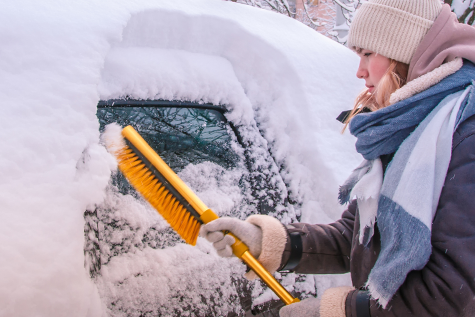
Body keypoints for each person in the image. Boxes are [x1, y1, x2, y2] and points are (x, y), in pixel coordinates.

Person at [200, 1, 475, 316]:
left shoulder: (463, 138)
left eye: (368, 54)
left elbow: (452, 296)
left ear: (406, 51)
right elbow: (356, 240)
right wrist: (269, 241)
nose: (359, 71)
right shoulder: (406, 131)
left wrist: (336, 311)